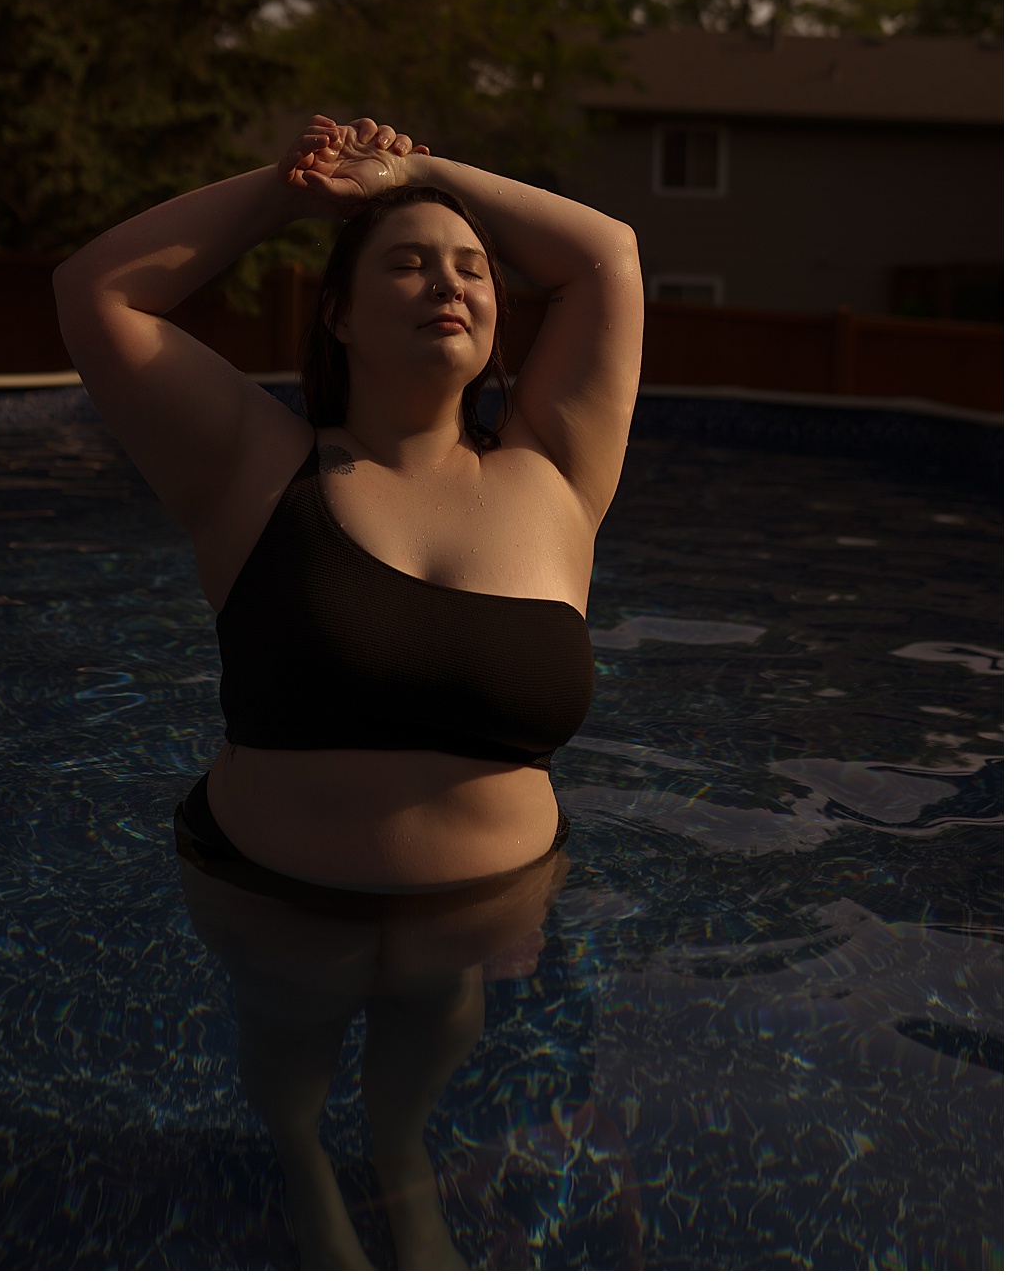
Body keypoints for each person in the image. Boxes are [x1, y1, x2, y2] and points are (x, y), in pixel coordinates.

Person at [54, 113, 643, 1268]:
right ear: (337, 312)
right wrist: (297, 184)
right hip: (280, 901)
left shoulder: (557, 473)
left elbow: (606, 252)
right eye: (409, 262)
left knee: (425, 1058)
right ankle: (300, 1156)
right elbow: (99, 292)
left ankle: (402, 1151)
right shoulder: (252, 463)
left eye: (473, 266)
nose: (452, 282)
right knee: (291, 1065)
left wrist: (420, 174)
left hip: (487, 907)